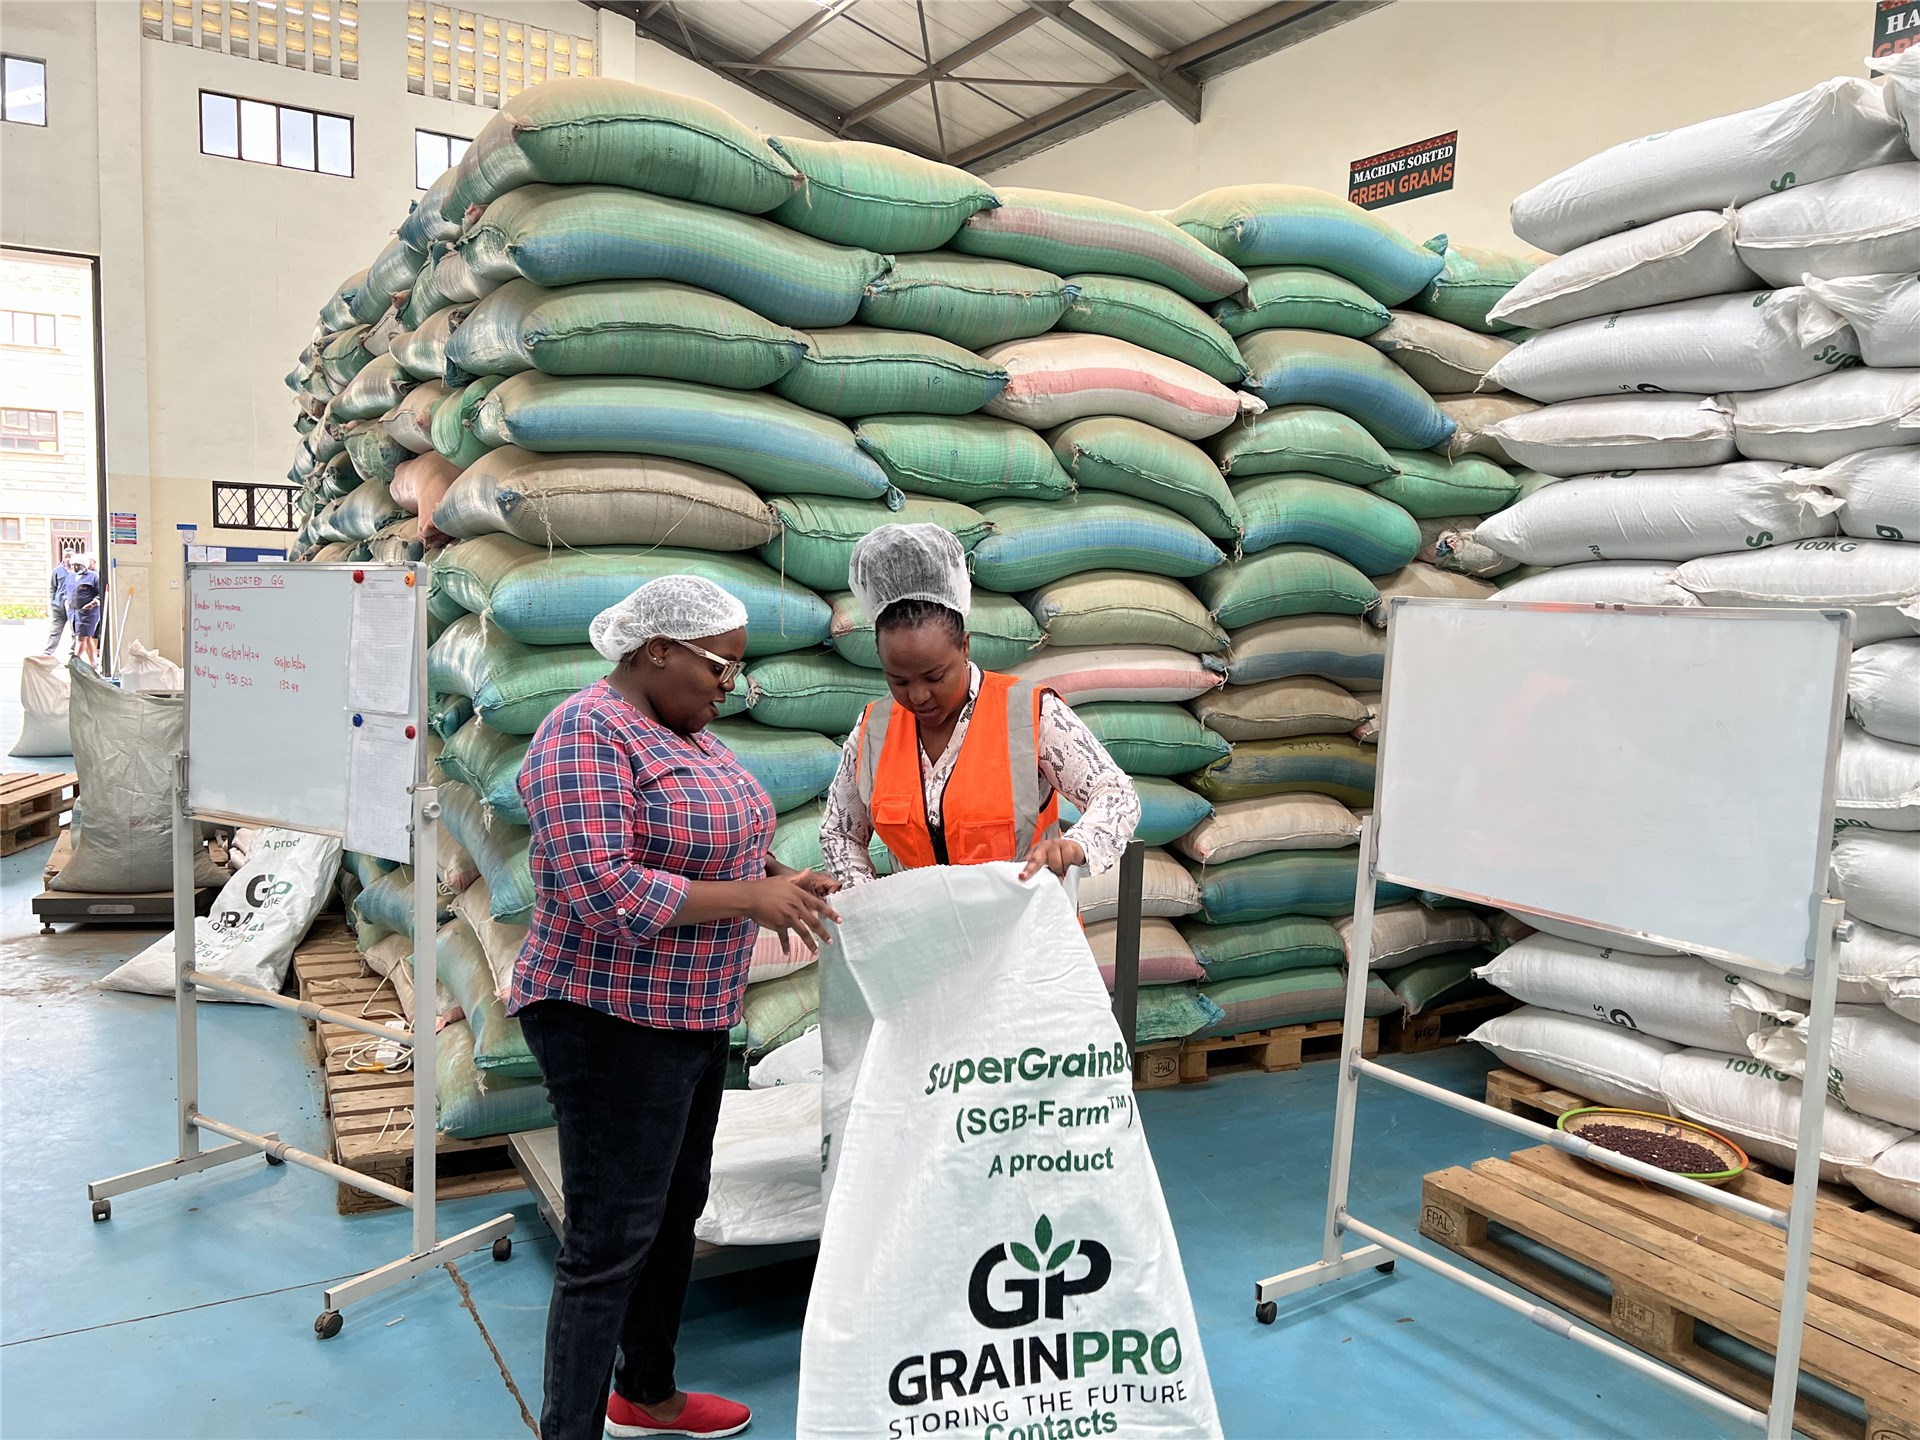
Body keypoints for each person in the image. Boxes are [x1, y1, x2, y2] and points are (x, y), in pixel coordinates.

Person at [509, 574, 838, 1440]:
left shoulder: (682, 731)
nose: (729, 687)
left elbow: (724, 841)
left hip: (690, 1014)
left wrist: (779, 879)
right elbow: (598, 890)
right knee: (608, 1239)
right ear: (657, 651)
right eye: (720, 669)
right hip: (607, 1019)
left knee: (673, 1211)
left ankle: (645, 1395)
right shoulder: (582, 735)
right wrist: (745, 900)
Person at [819, 524, 1141, 889]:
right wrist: (870, 900)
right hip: (925, 938)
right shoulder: (873, 730)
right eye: (899, 681)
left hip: (1023, 932)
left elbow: (1115, 793)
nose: (919, 696)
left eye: (935, 676)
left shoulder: (1029, 714)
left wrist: (1077, 844)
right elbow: (839, 833)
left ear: (965, 647)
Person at [64, 554, 102, 667]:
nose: (76, 568)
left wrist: (93, 603)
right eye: (73, 565)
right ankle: (93, 662)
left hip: (88, 613)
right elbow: (66, 591)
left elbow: (100, 594)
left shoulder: (93, 577)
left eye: (78, 566)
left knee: (81, 637)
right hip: (73, 612)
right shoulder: (70, 577)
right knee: (87, 637)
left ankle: (75, 661)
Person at [44, 554, 72, 656]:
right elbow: (53, 588)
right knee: (55, 630)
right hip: (59, 605)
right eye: (66, 556)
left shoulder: (77, 571)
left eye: (70, 557)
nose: (68, 559)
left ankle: (73, 653)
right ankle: (47, 652)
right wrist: (53, 602)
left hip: (72, 606)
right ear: (63, 558)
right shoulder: (57, 571)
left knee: (74, 631)